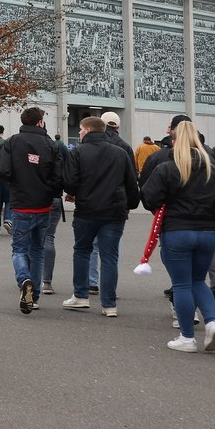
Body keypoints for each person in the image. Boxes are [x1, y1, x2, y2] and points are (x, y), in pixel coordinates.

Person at [140, 119, 215, 352]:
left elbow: (149, 198)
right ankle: (212, 322)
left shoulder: (167, 167)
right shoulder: (213, 170)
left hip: (177, 230)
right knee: (199, 281)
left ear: (174, 140)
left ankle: (187, 337)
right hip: (207, 231)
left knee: (182, 284)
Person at [60, 116, 140, 317]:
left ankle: (80, 296)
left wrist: (75, 191)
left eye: (80, 129)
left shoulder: (78, 152)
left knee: (82, 251)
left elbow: (69, 182)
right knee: (109, 257)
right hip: (114, 211)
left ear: (87, 130)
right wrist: (129, 205)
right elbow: (131, 182)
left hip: (87, 210)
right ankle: (109, 304)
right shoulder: (120, 153)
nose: (78, 133)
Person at [0, 106, 63, 315]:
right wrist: (49, 187)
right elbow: (59, 175)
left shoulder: (13, 142)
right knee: (38, 250)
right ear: (40, 122)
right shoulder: (51, 145)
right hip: (44, 205)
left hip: (21, 203)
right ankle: (33, 297)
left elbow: (1, 169)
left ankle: (24, 280)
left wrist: (16, 181)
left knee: (19, 249)